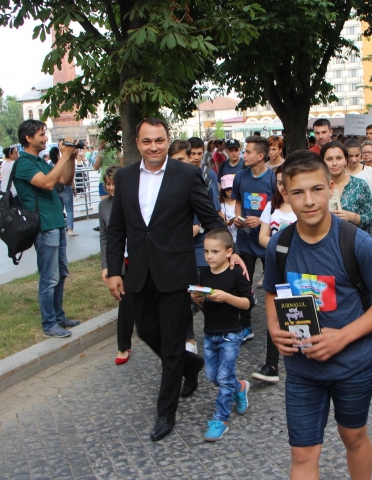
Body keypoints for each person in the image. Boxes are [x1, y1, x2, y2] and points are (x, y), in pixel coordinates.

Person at [105, 117, 248, 442]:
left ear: (168, 140)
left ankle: (165, 413)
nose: (153, 146)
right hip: (139, 273)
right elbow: (116, 228)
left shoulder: (186, 174)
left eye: (159, 140)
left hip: (176, 273)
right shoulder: (125, 177)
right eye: (146, 141)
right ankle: (191, 364)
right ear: (138, 144)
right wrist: (114, 270)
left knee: (171, 344)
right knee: (146, 331)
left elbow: (210, 216)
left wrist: (233, 250)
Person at [263, 150, 372, 480]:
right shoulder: (279, 245)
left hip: (352, 365)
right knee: (302, 453)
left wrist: (342, 337)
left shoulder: (357, 243)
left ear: (330, 188)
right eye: (298, 192)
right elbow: (271, 291)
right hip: (302, 369)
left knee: (353, 437)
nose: (309, 200)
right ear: (285, 194)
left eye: (316, 189)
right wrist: (274, 327)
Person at [12, 120, 81, 338]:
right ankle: (49, 323)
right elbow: (48, 183)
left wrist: (69, 158)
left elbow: (65, 180)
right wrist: (64, 156)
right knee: (49, 278)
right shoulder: (23, 163)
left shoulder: (40, 161)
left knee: (61, 274)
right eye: (41, 134)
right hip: (44, 227)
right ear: (28, 138)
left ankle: (59, 317)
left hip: (56, 224)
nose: (45, 138)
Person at [190, 229, 254, 442]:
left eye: (214, 251)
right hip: (210, 333)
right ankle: (240, 387)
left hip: (231, 334)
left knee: (224, 378)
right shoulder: (203, 273)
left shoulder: (236, 273)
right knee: (212, 376)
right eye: (206, 251)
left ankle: (221, 419)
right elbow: (204, 307)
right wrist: (198, 299)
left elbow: (247, 303)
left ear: (228, 252)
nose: (209, 256)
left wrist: (226, 297)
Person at [170, 138, 221, 360]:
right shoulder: (165, 185)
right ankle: (189, 339)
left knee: (201, 294)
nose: (183, 163)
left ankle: (219, 327)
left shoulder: (205, 179)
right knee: (182, 297)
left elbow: (213, 215)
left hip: (200, 248)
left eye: (184, 158)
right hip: (176, 253)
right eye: (176, 160)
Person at [254, 164, 297, 383]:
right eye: (279, 182)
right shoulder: (271, 207)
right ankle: (271, 365)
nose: (282, 186)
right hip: (277, 266)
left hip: (299, 268)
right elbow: (262, 236)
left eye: (285, 182)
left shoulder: (301, 206)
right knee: (275, 314)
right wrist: (279, 246)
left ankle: (303, 359)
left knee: (296, 312)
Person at [232, 135, 277, 341]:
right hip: (245, 241)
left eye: (248, 152)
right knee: (244, 282)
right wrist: (238, 218)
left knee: (274, 284)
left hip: (268, 241)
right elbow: (238, 201)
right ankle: (245, 325)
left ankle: (277, 324)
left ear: (260, 156)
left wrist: (261, 221)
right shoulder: (240, 177)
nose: (244, 155)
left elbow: (279, 207)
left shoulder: (273, 179)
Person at [99, 164, 134, 365]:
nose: (111, 188)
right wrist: (107, 266)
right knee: (125, 302)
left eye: (114, 183)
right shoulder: (104, 206)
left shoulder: (134, 200)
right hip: (122, 262)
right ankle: (123, 346)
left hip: (140, 258)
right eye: (108, 184)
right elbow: (105, 237)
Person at [321, 142, 372, 229]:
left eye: (339, 158)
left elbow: (369, 219)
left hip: (352, 235)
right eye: (329, 159)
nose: (334, 163)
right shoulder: (317, 186)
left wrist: (352, 217)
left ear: (345, 160)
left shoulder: (360, 184)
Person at [342, 138, 372, 212]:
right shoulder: (340, 171)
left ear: (361, 154)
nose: (354, 159)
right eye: (350, 156)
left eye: (357, 155)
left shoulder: (368, 171)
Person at [49, 147, 79, 237]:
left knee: (60, 209)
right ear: (58, 154)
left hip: (56, 189)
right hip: (66, 188)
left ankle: (60, 227)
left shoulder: (50, 165)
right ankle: (70, 229)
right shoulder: (63, 163)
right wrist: (73, 188)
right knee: (69, 209)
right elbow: (69, 177)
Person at [218, 174, 238, 243]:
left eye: (231, 189)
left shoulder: (240, 203)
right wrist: (226, 223)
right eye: (227, 189)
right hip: (229, 237)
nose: (230, 191)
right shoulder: (222, 205)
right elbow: (221, 222)